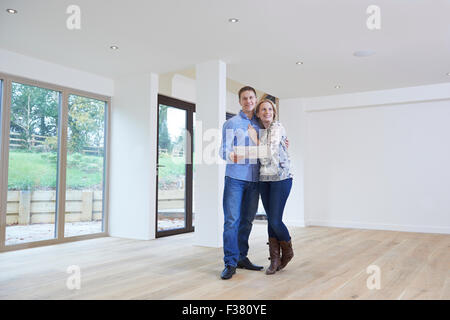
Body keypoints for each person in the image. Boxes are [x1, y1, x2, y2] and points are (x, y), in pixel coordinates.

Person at [219, 86, 264, 280]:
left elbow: (269, 148)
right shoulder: (231, 123)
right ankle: (230, 262)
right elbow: (223, 151)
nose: (248, 101)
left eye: (251, 98)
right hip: (235, 179)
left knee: (246, 221)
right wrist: (232, 155)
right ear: (240, 101)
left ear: (255, 100)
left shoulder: (262, 123)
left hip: (255, 181)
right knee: (232, 221)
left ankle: (241, 257)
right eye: (244, 98)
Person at [248, 99, 294, 275]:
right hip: (264, 180)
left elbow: (267, 154)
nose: (267, 112)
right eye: (263, 110)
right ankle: (274, 259)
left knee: (275, 220)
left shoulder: (277, 127)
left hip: (281, 179)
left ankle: (288, 251)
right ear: (258, 114)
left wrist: (255, 139)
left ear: (274, 112)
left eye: (270, 109)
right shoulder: (262, 131)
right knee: (271, 219)